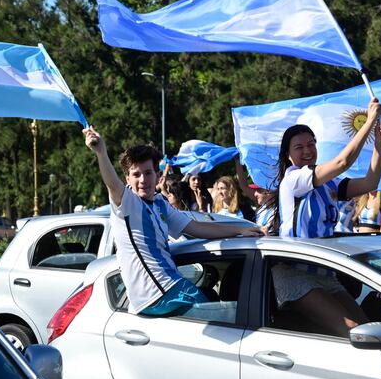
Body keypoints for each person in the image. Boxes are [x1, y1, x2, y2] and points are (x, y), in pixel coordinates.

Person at [83, 127, 259, 316]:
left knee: (218, 306)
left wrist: (240, 230)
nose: (143, 180)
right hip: (156, 293)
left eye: (148, 173)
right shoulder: (128, 203)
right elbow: (111, 183)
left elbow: (196, 227)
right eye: (136, 174)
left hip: (171, 286)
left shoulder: (160, 203)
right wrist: (101, 153)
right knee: (227, 318)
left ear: (157, 176)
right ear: (127, 178)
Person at [270, 98, 381, 336]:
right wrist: (369, 121)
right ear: (288, 155)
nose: (308, 150)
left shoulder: (328, 183)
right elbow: (343, 161)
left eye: (311, 144)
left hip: (324, 271)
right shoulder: (293, 179)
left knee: (372, 330)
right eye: (299, 147)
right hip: (295, 272)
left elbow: (370, 182)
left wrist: (379, 144)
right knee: (355, 333)